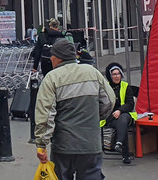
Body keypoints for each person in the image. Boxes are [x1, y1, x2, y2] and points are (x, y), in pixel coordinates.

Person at [34, 38, 115, 180]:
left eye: (52, 55)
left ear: (58, 58)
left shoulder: (52, 78)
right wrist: (96, 118)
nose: (50, 59)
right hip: (91, 144)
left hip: (64, 146)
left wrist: (42, 143)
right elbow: (109, 101)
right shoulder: (92, 72)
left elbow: (45, 114)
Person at [100, 62, 138, 165]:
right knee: (122, 124)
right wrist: (113, 113)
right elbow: (102, 104)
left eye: (118, 74)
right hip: (110, 117)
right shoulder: (105, 88)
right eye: (114, 74)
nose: (117, 76)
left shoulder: (126, 86)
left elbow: (130, 104)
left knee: (123, 119)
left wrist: (120, 111)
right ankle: (123, 150)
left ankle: (119, 143)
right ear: (110, 76)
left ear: (121, 75)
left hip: (125, 114)